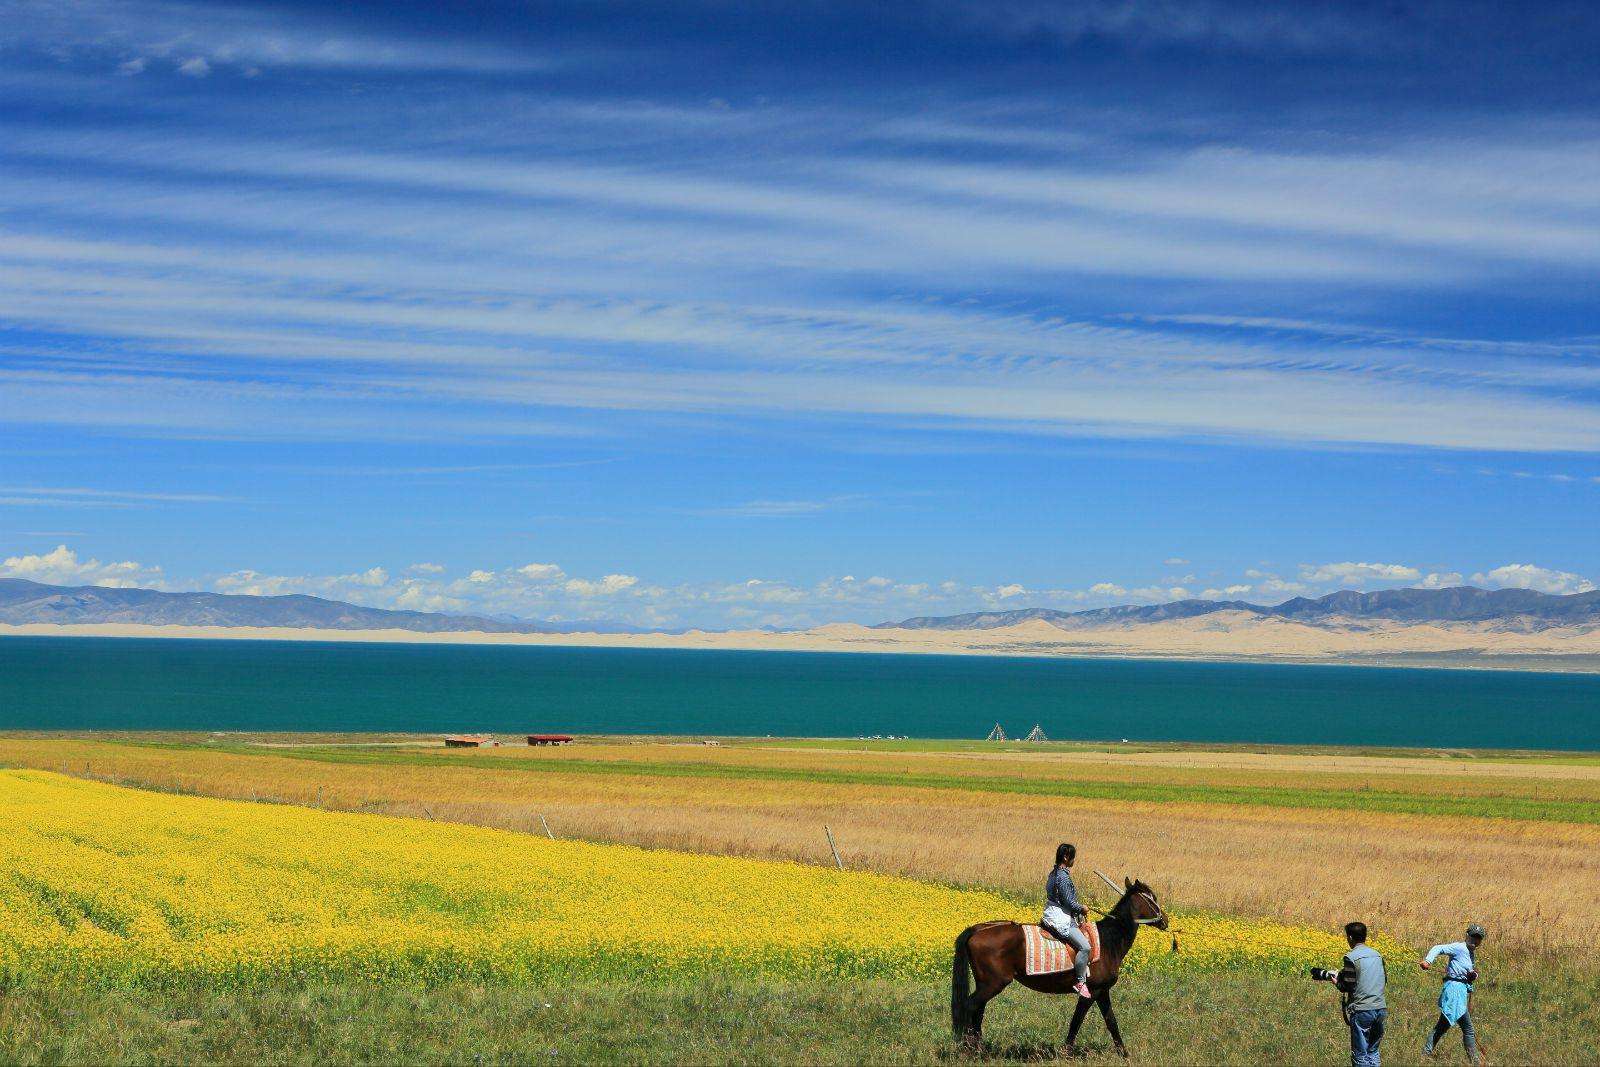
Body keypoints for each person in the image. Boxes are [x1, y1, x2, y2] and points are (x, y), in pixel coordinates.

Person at [1320, 921, 1388, 1067]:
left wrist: (1337, 982)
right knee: (1373, 1052)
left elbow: (1348, 986)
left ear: (1350, 937)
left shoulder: (1351, 957)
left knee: (1360, 1055)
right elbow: (1384, 979)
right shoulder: (1377, 955)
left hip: (1362, 1010)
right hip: (1380, 1008)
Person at [1420, 923, 1485, 1064]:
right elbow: (1438, 948)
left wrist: (1472, 975)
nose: (1475, 940)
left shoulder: (1470, 953)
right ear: (1467, 936)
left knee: (1442, 1026)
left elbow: (1465, 971)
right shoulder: (1459, 947)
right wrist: (1428, 961)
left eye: (1478, 938)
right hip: (1454, 991)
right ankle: (1475, 1062)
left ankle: (1424, 1055)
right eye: (1473, 936)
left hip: (1459, 991)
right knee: (1468, 1029)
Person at [1040, 842, 1092, 999]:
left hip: (1051, 912)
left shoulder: (1053, 873)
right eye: (1073, 857)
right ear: (1066, 857)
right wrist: (1082, 908)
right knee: (1085, 947)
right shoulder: (1062, 877)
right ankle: (1080, 982)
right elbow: (1068, 902)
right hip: (1060, 917)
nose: (1074, 860)